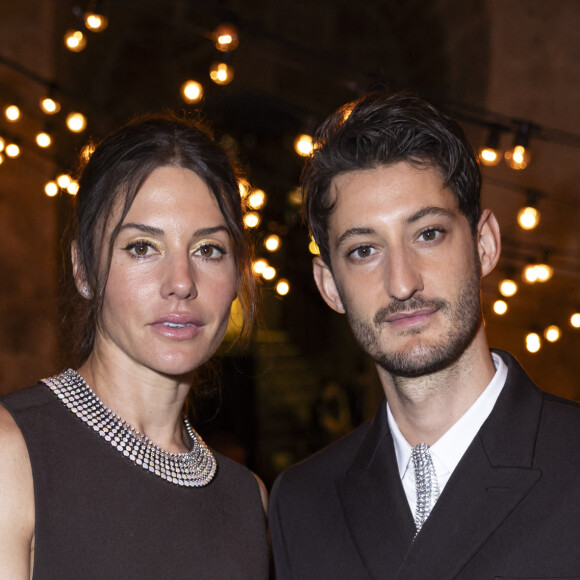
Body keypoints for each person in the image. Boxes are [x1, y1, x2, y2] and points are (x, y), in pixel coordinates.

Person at [269, 91, 580, 578]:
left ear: (484, 244)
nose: (401, 282)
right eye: (363, 250)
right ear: (329, 285)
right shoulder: (303, 502)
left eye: (428, 234)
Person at [0, 114, 269, 578]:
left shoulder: (249, 499)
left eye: (209, 250)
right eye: (143, 247)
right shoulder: (14, 455)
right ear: (84, 269)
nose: (181, 283)